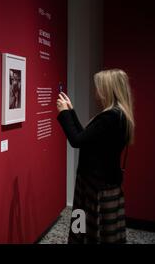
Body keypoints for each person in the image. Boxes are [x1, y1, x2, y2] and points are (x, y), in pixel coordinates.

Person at [56, 69, 135, 244]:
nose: (95, 91)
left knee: (90, 233)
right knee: (90, 228)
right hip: (99, 183)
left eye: (98, 87)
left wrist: (64, 113)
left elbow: (76, 140)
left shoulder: (109, 118)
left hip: (96, 186)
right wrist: (71, 111)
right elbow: (86, 138)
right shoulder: (119, 115)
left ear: (108, 89)